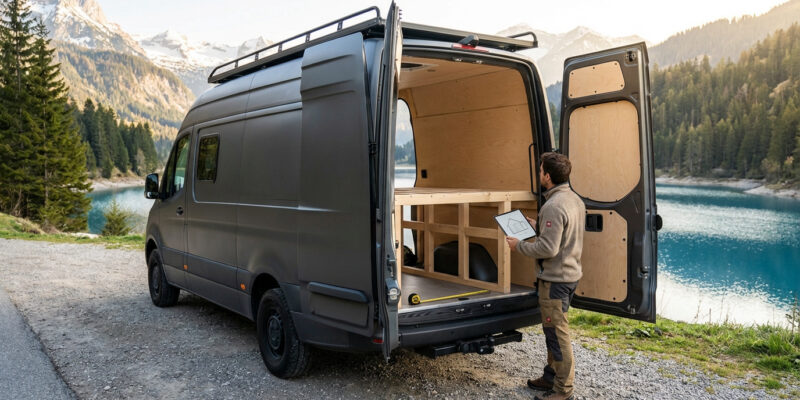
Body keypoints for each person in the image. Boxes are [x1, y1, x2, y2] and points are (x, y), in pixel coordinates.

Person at [506, 152, 585, 400]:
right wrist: (537, 224)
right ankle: (550, 377)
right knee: (552, 331)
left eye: (540, 171)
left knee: (558, 336)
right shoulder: (573, 199)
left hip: (555, 281)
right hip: (568, 277)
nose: (539, 174)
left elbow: (548, 248)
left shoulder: (553, 205)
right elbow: (562, 235)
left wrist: (519, 246)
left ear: (548, 176)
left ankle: (562, 391)